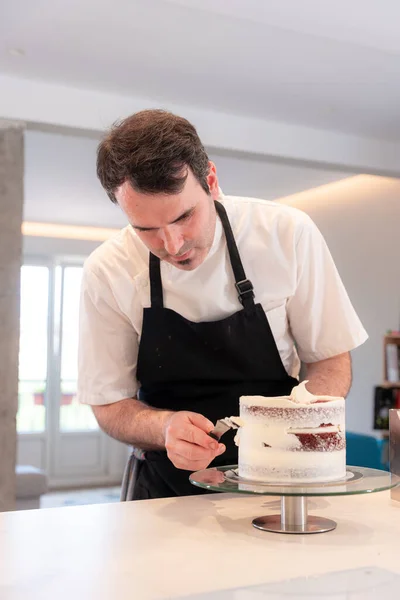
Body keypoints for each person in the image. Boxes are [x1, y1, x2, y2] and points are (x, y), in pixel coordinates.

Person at [77, 109, 368, 500]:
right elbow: (110, 403)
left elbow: (330, 360)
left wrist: (295, 421)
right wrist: (163, 427)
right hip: (165, 489)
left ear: (211, 181)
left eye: (184, 216)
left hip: (281, 480)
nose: (173, 244)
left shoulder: (287, 234)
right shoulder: (107, 270)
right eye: (146, 230)